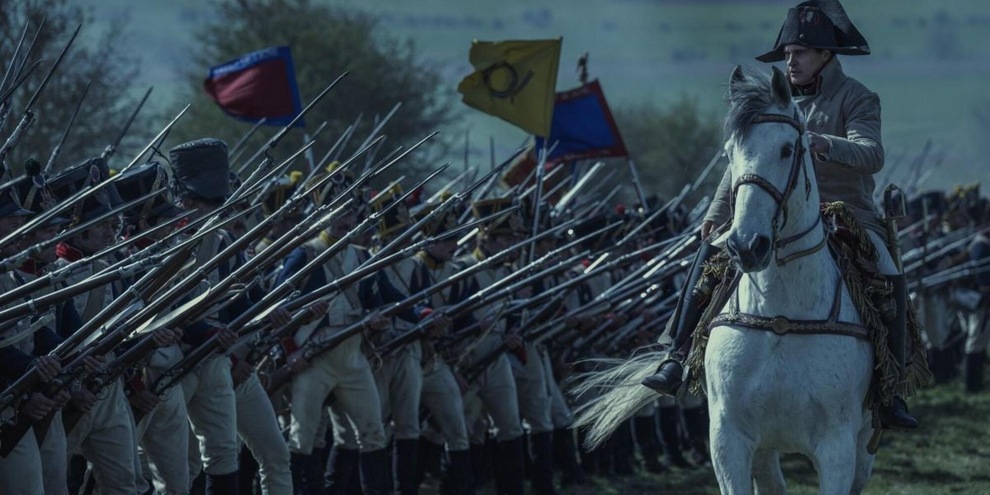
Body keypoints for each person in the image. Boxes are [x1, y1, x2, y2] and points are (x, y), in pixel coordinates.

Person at [641, 0, 919, 430]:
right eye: (787, 53)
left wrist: (821, 142)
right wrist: (718, 212)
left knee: (887, 270)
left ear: (826, 55)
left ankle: (891, 388)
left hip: (846, 212)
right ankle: (675, 356)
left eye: (801, 52)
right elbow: (742, 164)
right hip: (770, 212)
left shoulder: (857, 97)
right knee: (710, 254)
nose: (791, 60)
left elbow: (871, 153)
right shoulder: (768, 102)